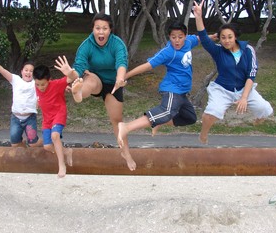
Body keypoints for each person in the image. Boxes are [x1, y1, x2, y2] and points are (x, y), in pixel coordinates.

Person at [116, 21, 200, 170]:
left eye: (180, 37)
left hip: (182, 93)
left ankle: (159, 122)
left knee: (190, 117)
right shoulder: (168, 51)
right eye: (173, 37)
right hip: (172, 89)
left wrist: (214, 37)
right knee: (166, 111)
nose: (177, 40)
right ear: (169, 37)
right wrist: (126, 75)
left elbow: (200, 38)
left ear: (185, 36)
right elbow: (147, 65)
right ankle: (126, 127)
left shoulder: (190, 41)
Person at [54, 13, 130, 168]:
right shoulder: (86, 46)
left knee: (117, 120)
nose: (101, 32)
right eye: (97, 28)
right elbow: (79, 69)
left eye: (104, 28)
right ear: (93, 29)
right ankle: (79, 93)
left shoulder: (117, 44)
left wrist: (120, 79)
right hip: (95, 79)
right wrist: (70, 73)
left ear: (110, 30)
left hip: (114, 83)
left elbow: (121, 63)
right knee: (89, 80)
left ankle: (125, 151)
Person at [193, 0, 273, 144]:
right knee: (209, 114)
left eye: (230, 37)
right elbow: (204, 39)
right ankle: (203, 134)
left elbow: (251, 75)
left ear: (235, 36)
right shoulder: (218, 51)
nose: (226, 40)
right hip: (222, 89)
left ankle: (259, 119)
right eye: (223, 37)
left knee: (266, 109)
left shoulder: (248, 50)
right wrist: (198, 17)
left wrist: (244, 97)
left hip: (244, 88)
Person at [0, 48, 42, 148]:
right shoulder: (16, 80)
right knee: (15, 144)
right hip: (16, 118)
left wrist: (65, 87)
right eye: (26, 70)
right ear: (21, 71)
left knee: (33, 143)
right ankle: (25, 154)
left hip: (29, 117)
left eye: (31, 71)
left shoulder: (35, 83)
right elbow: (2, 70)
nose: (28, 72)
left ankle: (47, 144)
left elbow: (50, 86)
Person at [33, 64, 73, 178]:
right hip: (47, 119)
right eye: (37, 84)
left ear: (49, 80)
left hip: (59, 113)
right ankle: (66, 151)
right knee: (47, 146)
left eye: (43, 84)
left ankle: (61, 165)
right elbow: (38, 95)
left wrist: (69, 72)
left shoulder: (56, 84)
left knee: (55, 136)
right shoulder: (36, 87)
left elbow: (72, 77)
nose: (40, 87)